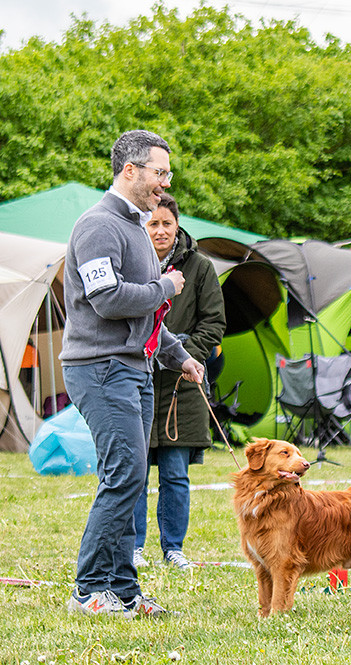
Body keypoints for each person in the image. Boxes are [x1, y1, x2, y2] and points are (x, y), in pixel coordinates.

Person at [60, 130, 204, 617]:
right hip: (101, 368)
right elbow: (107, 300)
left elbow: (146, 319)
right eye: (160, 172)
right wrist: (164, 286)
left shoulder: (136, 228)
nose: (166, 183)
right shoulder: (98, 226)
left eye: (168, 173)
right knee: (125, 474)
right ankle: (88, 589)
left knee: (131, 475)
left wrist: (178, 355)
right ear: (130, 171)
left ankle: (123, 589)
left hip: (134, 369)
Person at [133, 193, 225, 570]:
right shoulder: (132, 261)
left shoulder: (201, 267)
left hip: (182, 383)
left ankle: (173, 548)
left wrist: (186, 354)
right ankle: (133, 548)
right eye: (153, 223)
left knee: (175, 473)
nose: (160, 230)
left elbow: (214, 323)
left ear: (177, 225)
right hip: (137, 376)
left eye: (166, 223)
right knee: (135, 472)